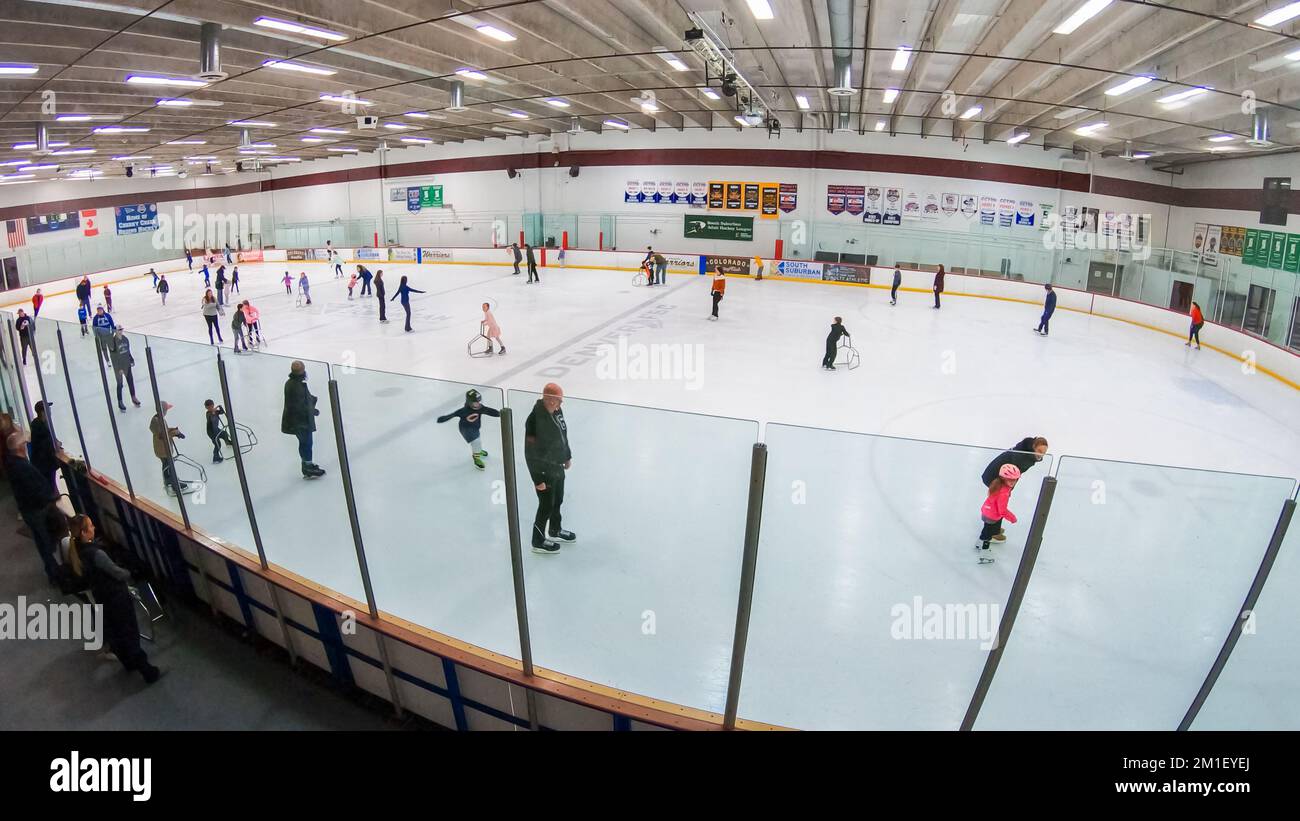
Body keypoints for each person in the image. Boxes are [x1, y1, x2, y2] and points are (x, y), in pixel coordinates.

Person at [65, 514, 161, 683]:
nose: (94, 528)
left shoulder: (77, 552)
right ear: (84, 532)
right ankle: (147, 671)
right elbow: (116, 572)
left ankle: (128, 663)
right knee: (129, 633)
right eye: (91, 525)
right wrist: (130, 573)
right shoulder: (96, 553)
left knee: (117, 633)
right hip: (116, 597)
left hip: (101, 597)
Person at [4, 432, 61, 585]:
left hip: (29, 509)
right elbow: (34, 489)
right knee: (45, 541)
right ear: (20, 447)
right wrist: (49, 498)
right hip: (36, 510)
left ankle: (53, 570)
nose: (26, 446)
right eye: (24, 443)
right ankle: (54, 573)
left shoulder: (13, 464)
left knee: (42, 541)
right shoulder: (21, 467)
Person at [524, 383, 574, 553]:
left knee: (558, 500)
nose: (560, 403)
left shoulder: (558, 411)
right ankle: (537, 541)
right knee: (546, 505)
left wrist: (567, 456)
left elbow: (563, 435)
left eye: (560, 400)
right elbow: (529, 453)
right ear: (548, 399)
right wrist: (538, 479)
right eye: (557, 400)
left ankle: (555, 529)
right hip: (544, 471)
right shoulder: (534, 420)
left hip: (557, 466)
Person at [981, 436, 1048, 543]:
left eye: (1044, 452)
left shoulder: (1025, 451)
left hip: (999, 477)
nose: (1041, 455)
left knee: (998, 502)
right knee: (999, 504)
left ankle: (994, 529)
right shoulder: (1024, 457)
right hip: (995, 478)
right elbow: (1014, 473)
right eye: (1039, 451)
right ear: (1033, 447)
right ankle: (991, 533)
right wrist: (1007, 490)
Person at [437, 389, 501, 470]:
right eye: (476, 402)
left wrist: (499, 413)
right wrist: (443, 418)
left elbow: (489, 411)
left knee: (478, 441)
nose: (478, 404)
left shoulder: (480, 408)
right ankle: (476, 458)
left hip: (475, 427)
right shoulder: (464, 411)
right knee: (476, 442)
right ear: (470, 402)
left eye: (479, 401)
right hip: (466, 430)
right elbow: (453, 414)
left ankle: (478, 450)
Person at [281, 360, 325, 478]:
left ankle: (306, 464)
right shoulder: (297, 386)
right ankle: (307, 466)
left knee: (304, 443)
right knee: (306, 443)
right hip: (300, 422)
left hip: (297, 421)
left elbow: (303, 400)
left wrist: (312, 399)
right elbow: (300, 406)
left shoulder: (293, 383)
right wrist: (313, 410)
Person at [977, 465, 1020, 564]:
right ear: (1003, 478)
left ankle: (979, 543)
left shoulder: (997, 484)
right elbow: (1002, 511)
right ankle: (984, 552)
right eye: (1009, 479)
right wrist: (1012, 518)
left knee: (986, 530)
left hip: (986, 511)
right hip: (992, 516)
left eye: (1015, 480)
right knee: (988, 535)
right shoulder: (1003, 492)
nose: (1012, 482)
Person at [150, 401, 192, 494]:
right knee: (169, 465)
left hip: (162, 448)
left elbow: (164, 431)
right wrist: (176, 433)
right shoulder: (157, 421)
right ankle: (174, 485)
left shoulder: (159, 419)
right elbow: (162, 435)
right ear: (164, 410)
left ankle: (168, 479)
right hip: (163, 449)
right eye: (166, 409)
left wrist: (173, 430)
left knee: (166, 465)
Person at [29, 400, 60, 493]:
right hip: (45, 464)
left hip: (42, 463)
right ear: (42, 412)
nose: (50, 411)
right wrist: (56, 444)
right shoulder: (41, 427)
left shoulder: (38, 424)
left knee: (50, 485)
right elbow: (48, 444)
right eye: (48, 408)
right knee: (49, 486)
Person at [109, 327, 142, 411]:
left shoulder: (125, 339)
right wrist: (119, 368)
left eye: (121, 330)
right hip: (118, 367)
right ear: (115, 331)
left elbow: (127, 351)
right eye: (118, 330)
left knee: (130, 381)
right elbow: (113, 357)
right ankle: (120, 401)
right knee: (120, 384)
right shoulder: (112, 342)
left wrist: (131, 359)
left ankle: (133, 397)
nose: (120, 331)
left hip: (126, 364)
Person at [204, 400, 232, 464]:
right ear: (206, 408)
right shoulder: (208, 414)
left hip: (216, 429)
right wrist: (213, 413)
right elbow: (212, 419)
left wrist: (220, 408)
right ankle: (215, 458)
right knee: (217, 444)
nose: (211, 408)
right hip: (211, 432)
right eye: (209, 407)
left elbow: (222, 412)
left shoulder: (215, 411)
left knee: (224, 434)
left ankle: (228, 442)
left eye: (212, 406)